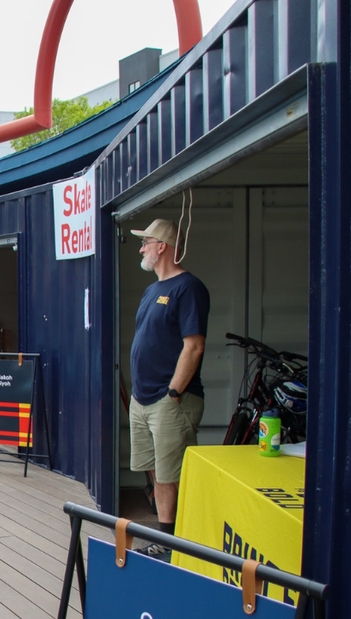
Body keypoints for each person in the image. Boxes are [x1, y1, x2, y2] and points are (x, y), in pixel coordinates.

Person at [128, 218, 210, 560]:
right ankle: (168, 537)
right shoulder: (151, 290)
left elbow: (194, 346)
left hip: (169, 399)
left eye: (146, 242)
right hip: (143, 398)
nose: (142, 248)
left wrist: (174, 392)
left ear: (162, 246)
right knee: (157, 471)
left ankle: (175, 544)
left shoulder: (188, 288)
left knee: (171, 472)